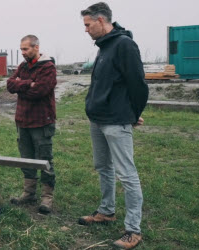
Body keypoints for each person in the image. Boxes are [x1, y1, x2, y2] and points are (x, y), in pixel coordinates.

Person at [75, 2, 149, 249]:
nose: (85, 30)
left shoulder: (124, 45)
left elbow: (138, 84)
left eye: (87, 25)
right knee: (103, 167)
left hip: (116, 121)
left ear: (101, 20)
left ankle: (133, 230)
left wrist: (132, 113)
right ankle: (106, 211)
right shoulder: (104, 47)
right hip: (98, 120)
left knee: (127, 174)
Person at [6, 34, 58, 214]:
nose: (22, 52)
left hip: (41, 121)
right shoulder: (22, 66)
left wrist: (22, 86)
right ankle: (29, 193)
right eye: (21, 49)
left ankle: (47, 197)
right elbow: (10, 85)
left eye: (25, 49)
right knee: (26, 158)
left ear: (36, 47)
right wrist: (29, 84)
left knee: (44, 159)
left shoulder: (48, 67)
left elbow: (41, 91)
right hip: (22, 121)